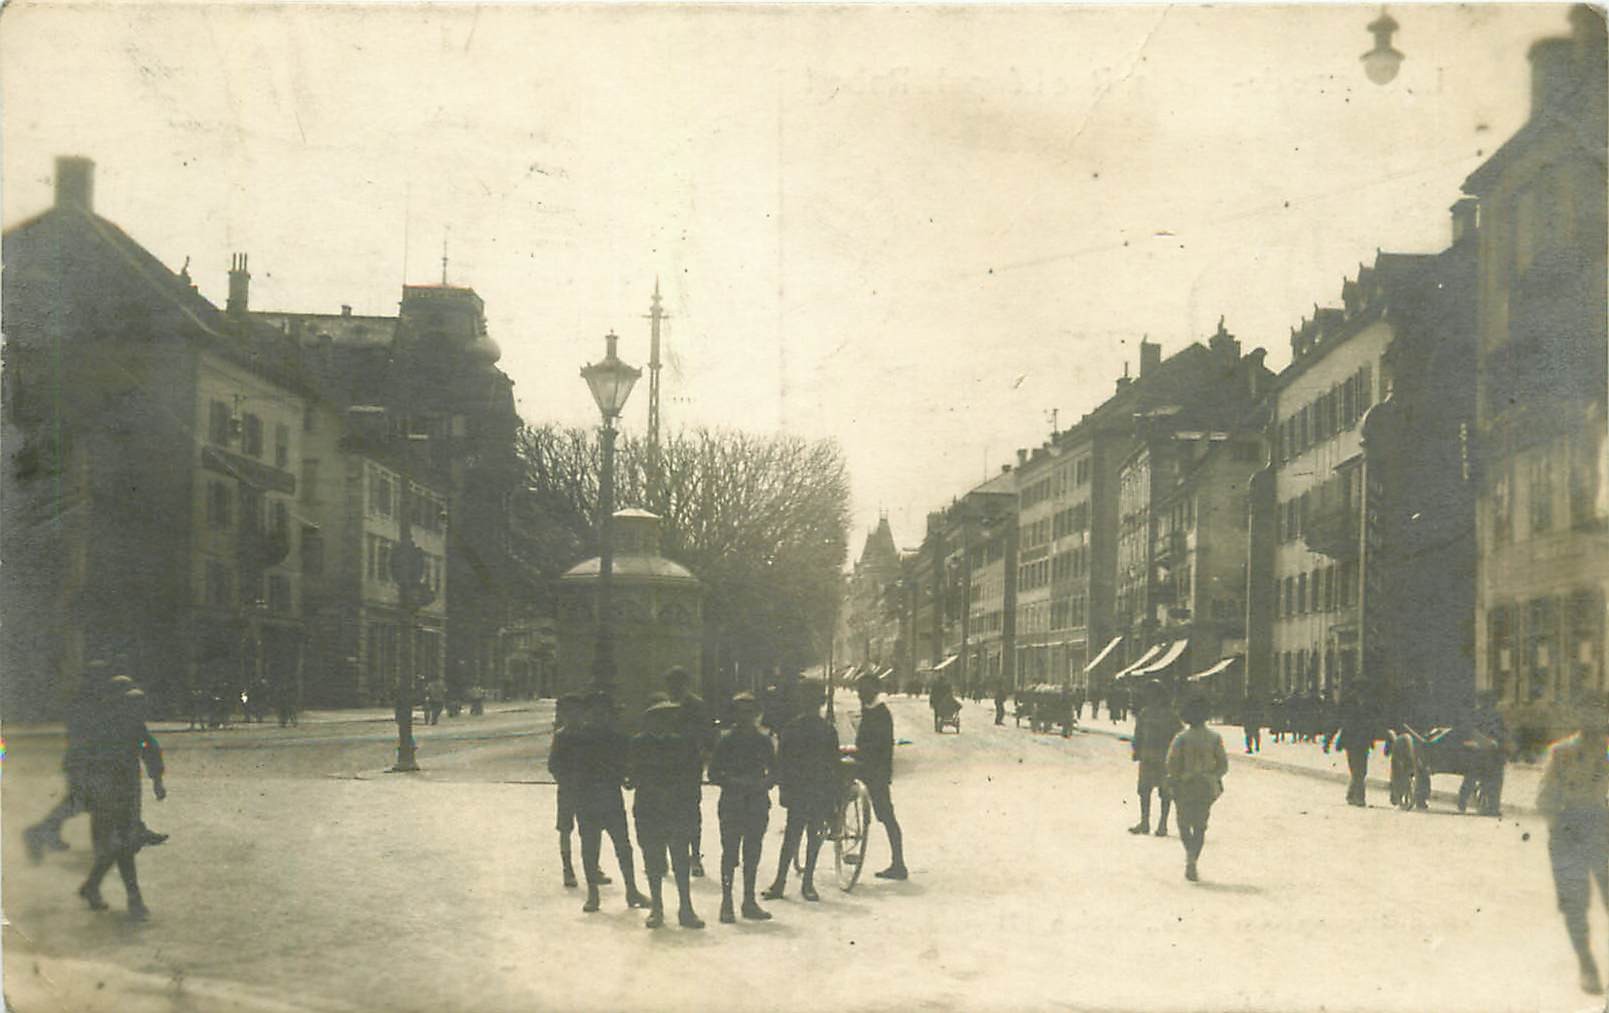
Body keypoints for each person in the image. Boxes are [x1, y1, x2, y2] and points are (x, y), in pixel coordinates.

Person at [547, 691, 647, 913]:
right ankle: (593, 894)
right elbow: (556, 766)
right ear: (588, 714)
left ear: (610, 715)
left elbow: (629, 766)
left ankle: (632, 890)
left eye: (604, 712)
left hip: (611, 798)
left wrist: (629, 778)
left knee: (623, 845)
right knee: (590, 847)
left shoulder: (619, 738)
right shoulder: (573, 738)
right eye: (594, 712)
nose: (599, 717)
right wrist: (573, 784)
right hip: (586, 800)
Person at [1537, 700, 1609, 996]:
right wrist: (1558, 828)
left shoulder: (1607, 752)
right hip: (1568, 829)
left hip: (1600, 826)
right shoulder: (1561, 752)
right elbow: (1544, 797)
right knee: (1574, 904)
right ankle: (1587, 964)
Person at [78, 686, 166, 920]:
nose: (140, 711)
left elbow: (150, 750)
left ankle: (92, 886)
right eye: (136, 706)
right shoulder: (103, 728)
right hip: (108, 796)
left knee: (120, 846)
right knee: (123, 846)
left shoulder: (133, 725)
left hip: (127, 794)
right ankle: (134, 900)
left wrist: (157, 780)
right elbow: (86, 762)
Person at [628, 699, 705, 929]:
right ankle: (657, 908)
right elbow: (632, 774)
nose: (664, 723)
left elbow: (693, 775)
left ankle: (686, 908)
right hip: (649, 808)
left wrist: (682, 797)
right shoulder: (638, 743)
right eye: (659, 718)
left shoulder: (682, 743)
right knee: (653, 860)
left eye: (669, 718)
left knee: (680, 859)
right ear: (649, 720)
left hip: (675, 808)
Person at [763, 682, 839, 902]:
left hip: (816, 790)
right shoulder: (794, 728)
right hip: (802, 790)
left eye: (813, 702)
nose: (811, 706)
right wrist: (784, 789)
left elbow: (832, 765)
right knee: (795, 837)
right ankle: (783, 882)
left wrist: (831, 796)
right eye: (809, 702)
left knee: (807, 836)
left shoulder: (824, 730)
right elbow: (783, 763)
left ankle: (805, 883)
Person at [708, 692, 775, 923]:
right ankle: (726, 902)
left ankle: (749, 900)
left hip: (756, 801)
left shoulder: (764, 741)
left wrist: (763, 784)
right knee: (730, 852)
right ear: (733, 714)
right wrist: (735, 782)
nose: (745, 717)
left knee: (752, 852)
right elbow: (713, 773)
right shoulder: (726, 741)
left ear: (756, 713)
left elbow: (775, 772)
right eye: (740, 711)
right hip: (733, 802)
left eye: (750, 712)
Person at [1166, 692, 1228, 882]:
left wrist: (1174, 779)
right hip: (1206, 787)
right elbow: (1223, 765)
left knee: (1184, 823)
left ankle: (1190, 857)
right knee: (1200, 825)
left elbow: (1171, 762)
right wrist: (1212, 777)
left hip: (1186, 785)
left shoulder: (1181, 738)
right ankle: (1193, 859)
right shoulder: (1215, 737)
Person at [854, 672, 908, 879]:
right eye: (859, 690)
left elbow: (879, 746)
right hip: (870, 769)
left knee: (886, 816)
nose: (860, 694)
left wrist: (861, 754)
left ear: (874, 691)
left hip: (875, 772)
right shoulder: (871, 710)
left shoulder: (880, 713)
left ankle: (899, 864)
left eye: (864, 690)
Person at [665, 667, 714, 877]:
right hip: (667, 768)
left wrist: (705, 753)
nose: (675, 688)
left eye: (678, 683)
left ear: (685, 684)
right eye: (671, 684)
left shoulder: (696, 705)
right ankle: (669, 857)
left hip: (689, 766)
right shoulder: (663, 705)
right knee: (667, 812)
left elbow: (709, 733)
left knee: (691, 813)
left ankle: (694, 856)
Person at [1129, 681, 1182, 837]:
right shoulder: (1145, 713)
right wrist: (1136, 750)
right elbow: (1138, 734)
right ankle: (1145, 822)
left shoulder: (1171, 715)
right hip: (1149, 757)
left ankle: (1162, 824)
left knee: (1164, 792)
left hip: (1165, 759)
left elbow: (1178, 737)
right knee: (1145, 790)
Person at [1332, 691, 1376, 807]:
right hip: (1351, 741)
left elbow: (1372, 723)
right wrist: (1328, 740)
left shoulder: (1368, 704)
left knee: (1361, 770)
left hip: (1363, 741)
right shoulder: (1348, 703)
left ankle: (1351, 795)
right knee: (1357, 770)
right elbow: (1337, 721)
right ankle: (1359, 798)